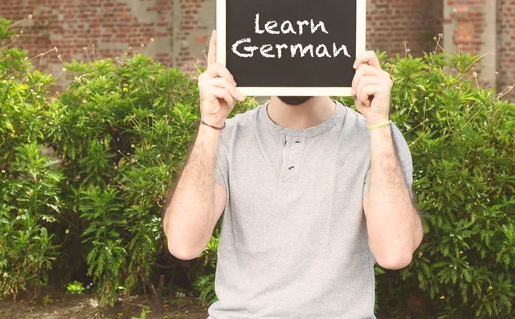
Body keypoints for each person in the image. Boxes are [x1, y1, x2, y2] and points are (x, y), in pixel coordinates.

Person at [163, 28, 424, 318]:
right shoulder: (227, 136)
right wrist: (210, 123)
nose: (294, 59)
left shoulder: (376, 137)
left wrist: (378, 122)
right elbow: (183, 244)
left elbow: (395, 252)